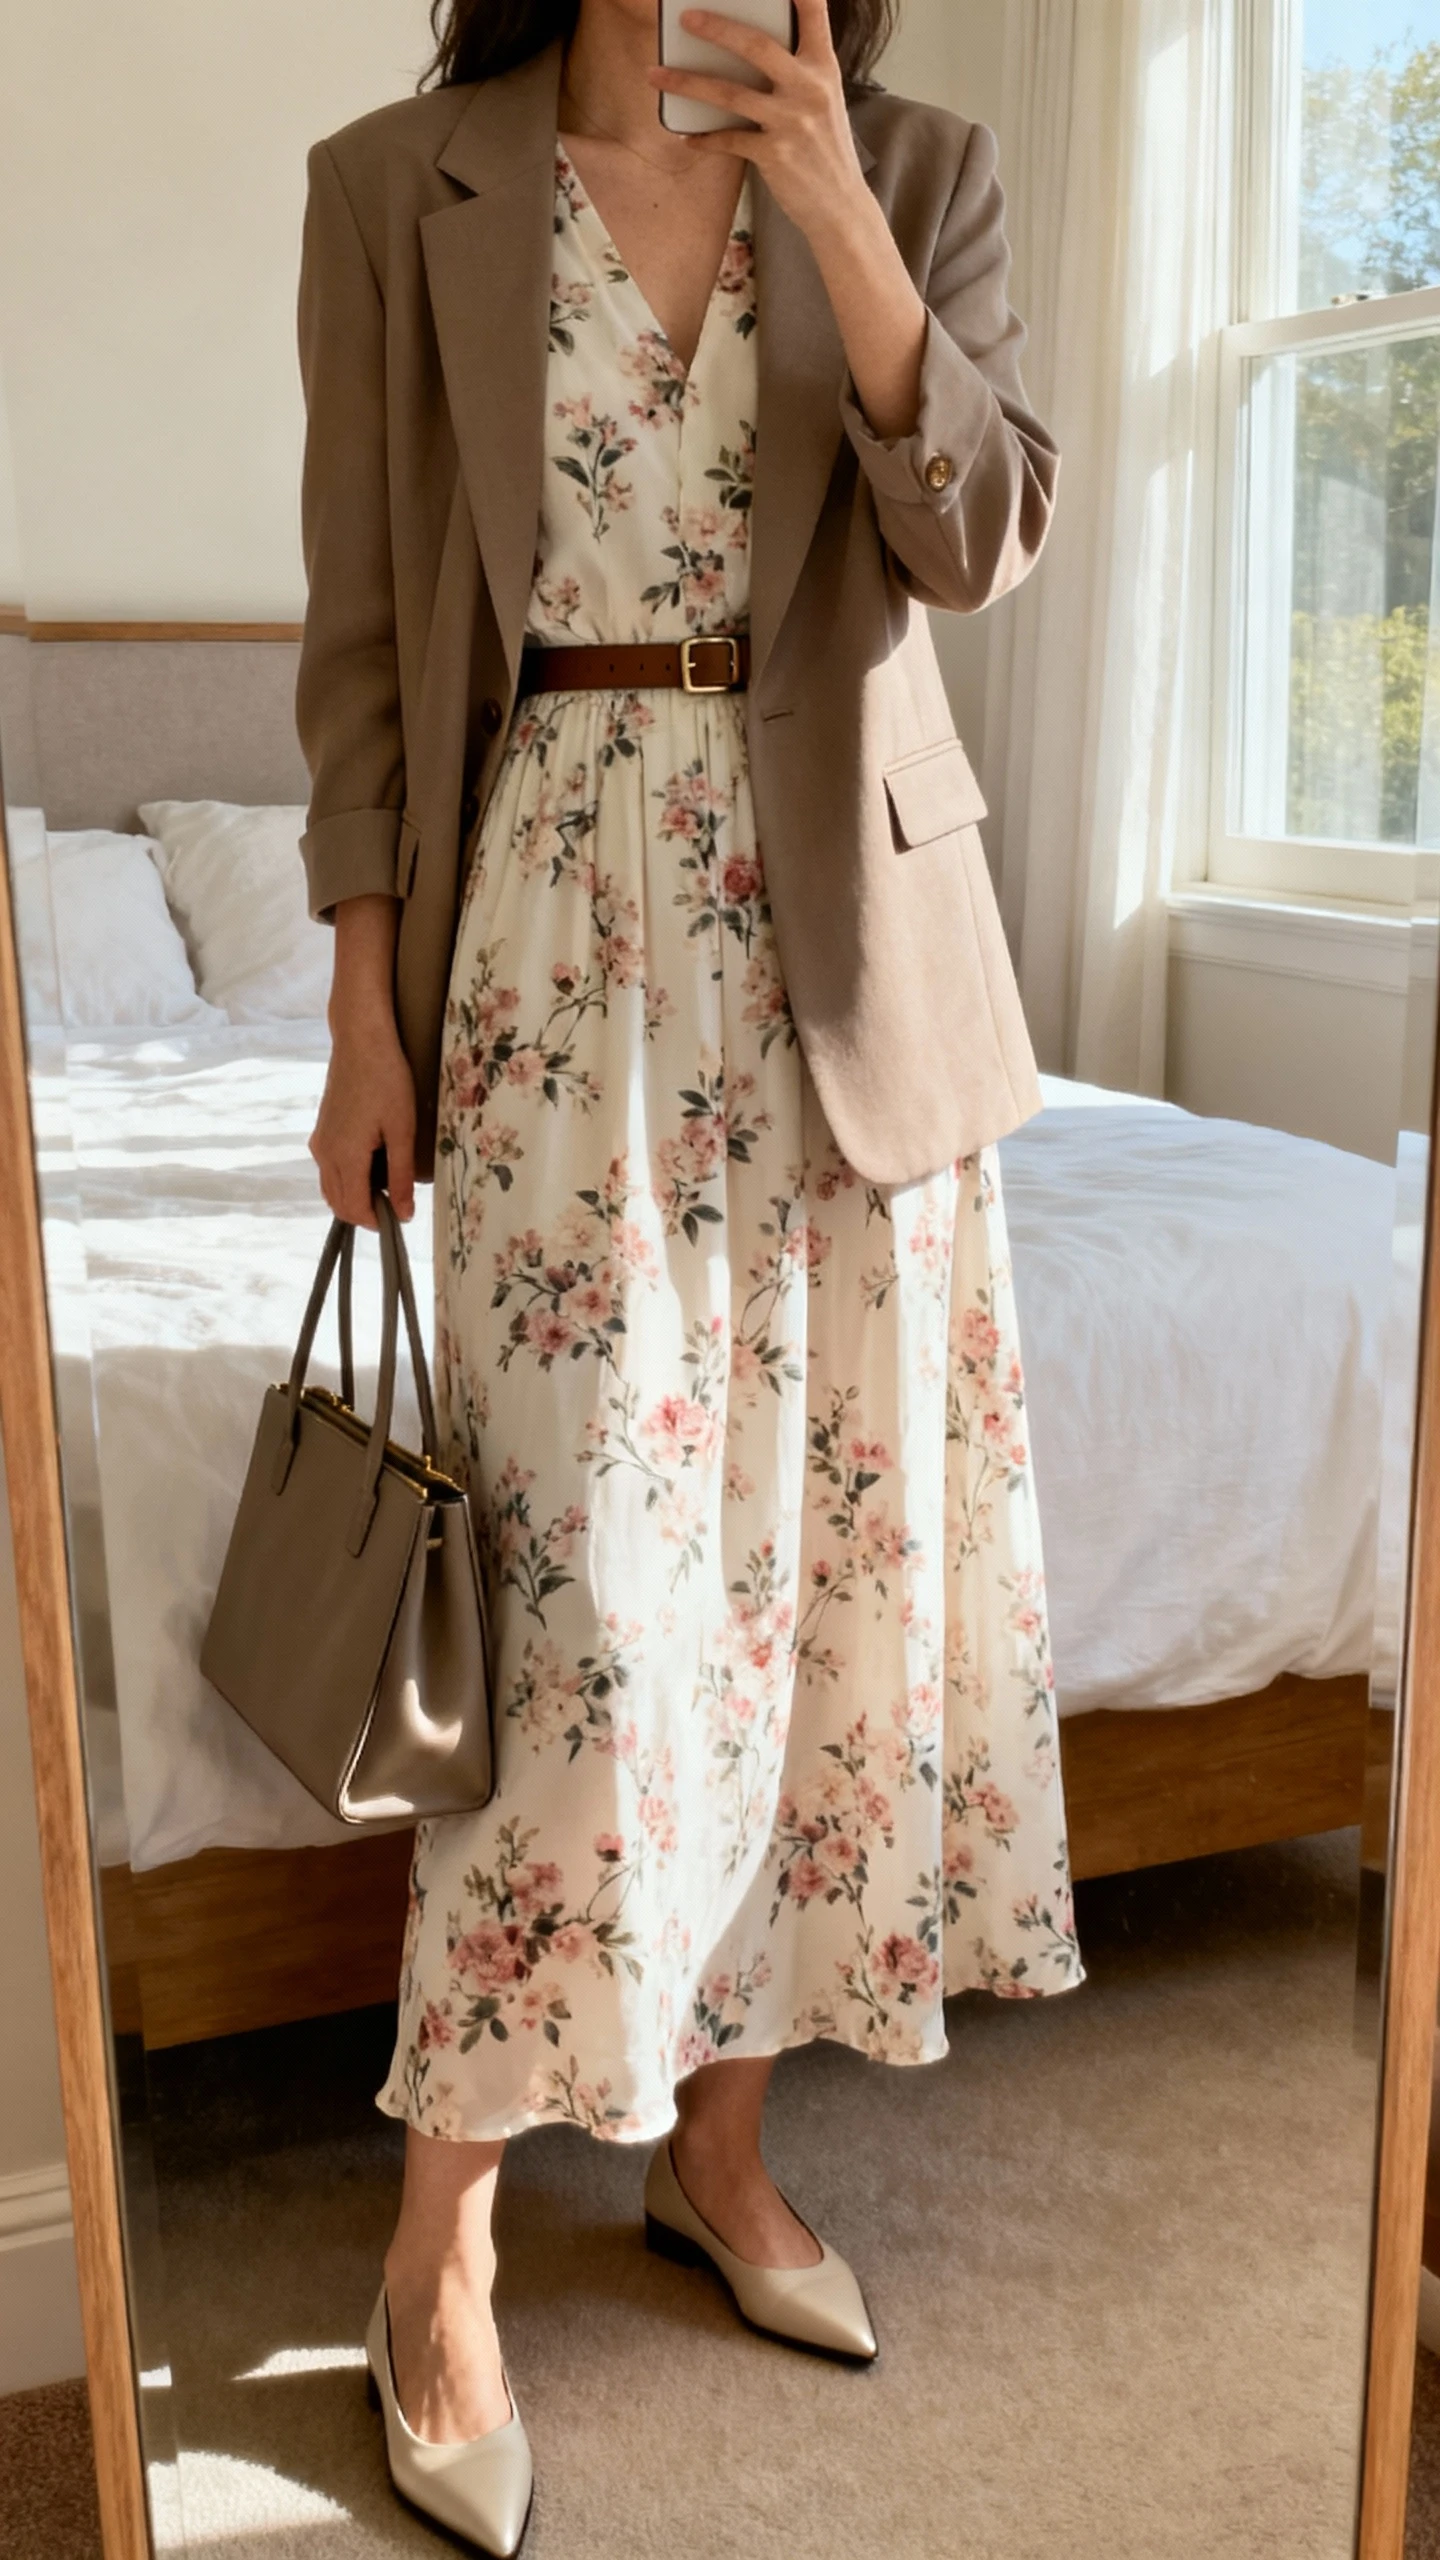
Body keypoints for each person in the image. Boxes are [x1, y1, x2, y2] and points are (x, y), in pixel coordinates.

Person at [298, 0, 1083, 2546]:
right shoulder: (394, 180)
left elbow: (984, 532)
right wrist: (356, 1005)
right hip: (546, 950)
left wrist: (838, 210)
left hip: (849, 956)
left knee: (821, 1582)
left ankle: (721, 2147)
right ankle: (444, 2242)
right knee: (591, 1614)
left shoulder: (924, 160)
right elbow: (361, 647)